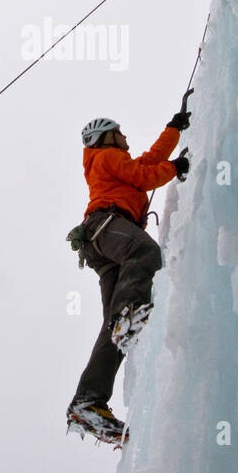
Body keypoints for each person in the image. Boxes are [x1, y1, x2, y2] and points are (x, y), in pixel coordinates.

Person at [66, 96, 192, 445]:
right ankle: (129, 312)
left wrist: (173, 128)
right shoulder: (105, 158)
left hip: (103, 243)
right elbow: (145, 174)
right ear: (105, 138)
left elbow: (148, 162)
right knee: (144, 251)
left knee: (112, 329)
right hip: (106, 226)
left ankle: (88, 401)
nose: (125, 138)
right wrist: (177, 168)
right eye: (119, 133)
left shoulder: (113, 161)